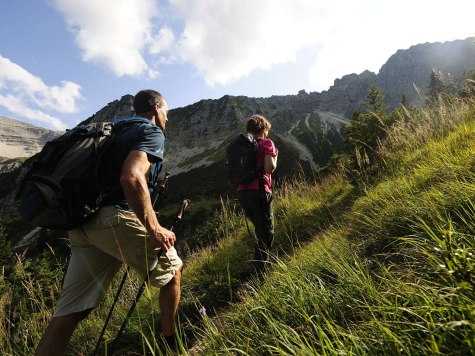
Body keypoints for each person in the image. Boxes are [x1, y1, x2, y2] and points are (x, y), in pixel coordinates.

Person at [35, 89, 183, 355]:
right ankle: (172, 345)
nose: (167, 118)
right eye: (167, 112)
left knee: (69, 312)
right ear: (156, 106)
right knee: (172, 274)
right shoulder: (151, 131)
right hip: (112, 220)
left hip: (83, 225)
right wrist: (153, 227)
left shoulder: (114, 129)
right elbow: (132, 177)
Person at [238, 114, 278, 273]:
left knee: (259, 231)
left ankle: (259, 267)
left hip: (243, 193)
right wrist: (275, 156)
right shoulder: (267, 143)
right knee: (266, 233)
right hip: (260, 192)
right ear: (264, 129)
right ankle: (259, 276)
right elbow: (269, 168)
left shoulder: (242, 147)